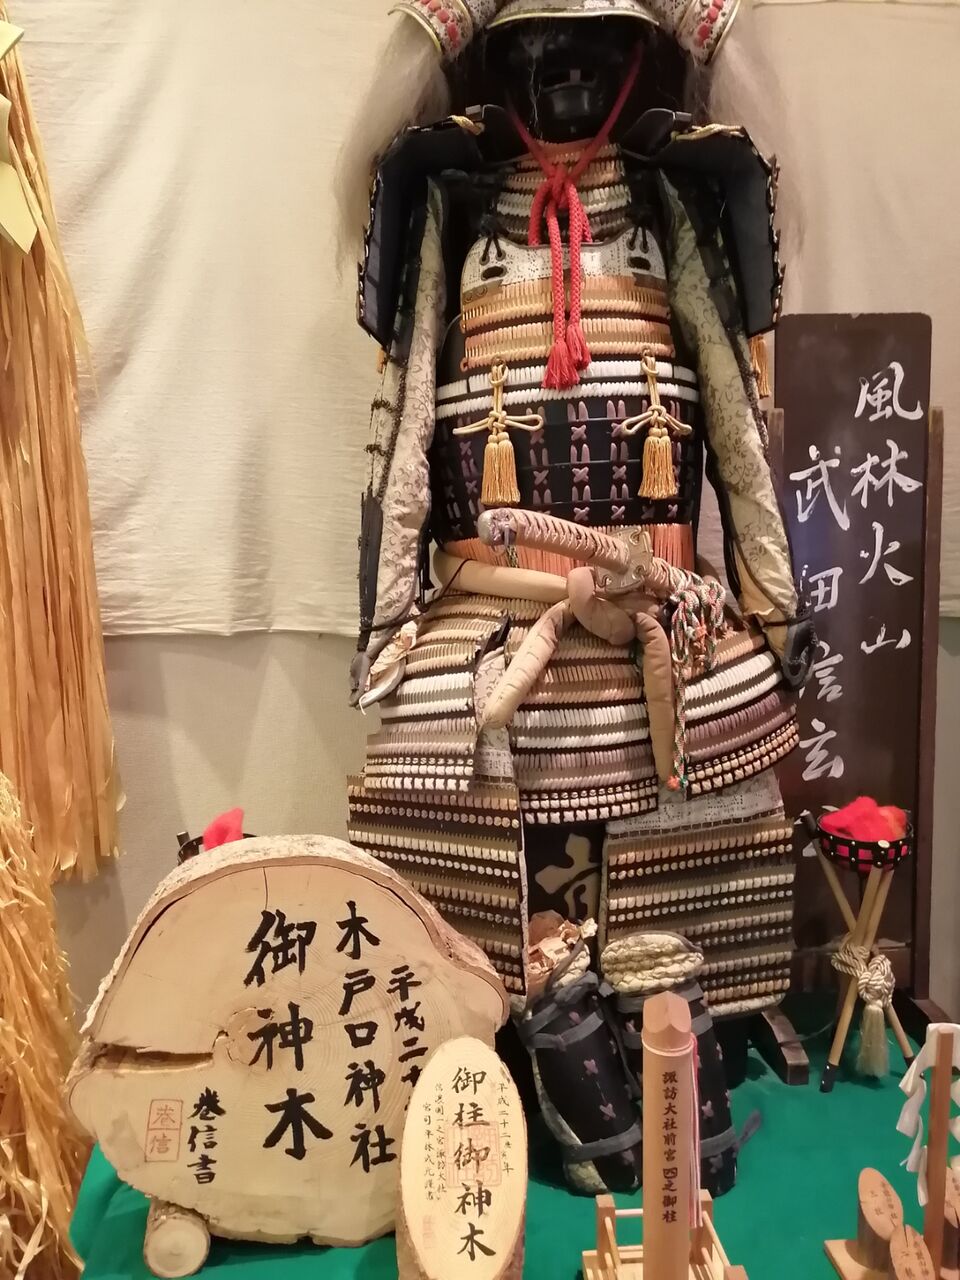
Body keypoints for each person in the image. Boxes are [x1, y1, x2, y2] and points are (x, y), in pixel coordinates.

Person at [340, 0, 814, 1191]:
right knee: (445, 793)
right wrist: (386, 621)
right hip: (491, 615)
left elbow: (733, 418)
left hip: (657, 604)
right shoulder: (450, 205)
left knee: (709, 793)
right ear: (496, 63)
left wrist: (772, 601)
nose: (564, 68)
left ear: (635, 60)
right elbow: (405, 432)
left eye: (594, 45)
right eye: (536, 46)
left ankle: (675, 1035)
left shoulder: (672, 203)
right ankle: (513, 1034)